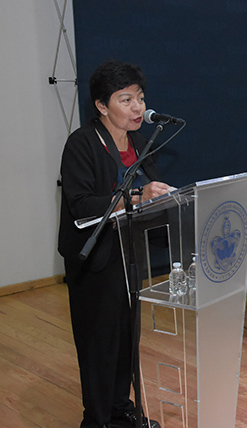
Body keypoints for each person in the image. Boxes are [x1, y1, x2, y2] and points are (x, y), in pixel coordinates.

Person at [58, 59, 170, 428]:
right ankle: (97, 418)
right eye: (126, 99)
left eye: (140, 98)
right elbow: (81, 205)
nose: (138, 107)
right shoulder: (82, 143)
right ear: (102, 106)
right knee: (99, 342)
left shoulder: (139, 143)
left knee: (125, 338)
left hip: (128, 253)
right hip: (94, 258)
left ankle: (121, 406)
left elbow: (151, 195)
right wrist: (137, 196)